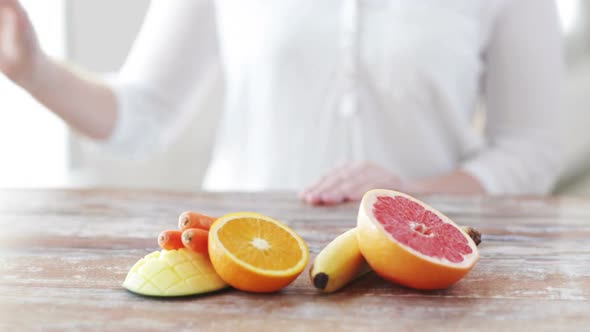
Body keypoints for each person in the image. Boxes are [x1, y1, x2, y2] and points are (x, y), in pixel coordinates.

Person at [0, 0, 564, 205]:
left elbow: (529, 152)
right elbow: (143, 115)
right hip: (244, 273)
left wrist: (410, 200)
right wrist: (33, 71)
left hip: (422, 286)